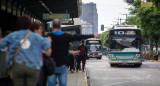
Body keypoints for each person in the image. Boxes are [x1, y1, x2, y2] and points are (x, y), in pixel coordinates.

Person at [0, 15, 52, 86]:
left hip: (18, 66)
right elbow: (47, 46)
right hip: (33, 67)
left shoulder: (13, 35)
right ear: (29, 24)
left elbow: (2, 44)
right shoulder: (36, 37)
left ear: (18, 24)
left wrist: (7, 51)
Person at [47, 19, 99, 86]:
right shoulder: (66, 36)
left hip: (51, 66)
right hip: (63, 65)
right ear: (60, 26)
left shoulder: (48, 37)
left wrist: (71, 52)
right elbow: (79, 36)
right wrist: (92, 35)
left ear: (52, 26)